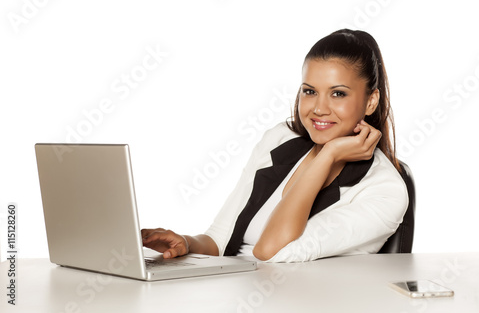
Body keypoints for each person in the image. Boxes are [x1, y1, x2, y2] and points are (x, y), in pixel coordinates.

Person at [142, 29, 409, 263]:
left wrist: (328, 156)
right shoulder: (280, 139)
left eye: (338, 93)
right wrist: (187, 243)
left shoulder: (385, 190)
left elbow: (271, 252)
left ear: (371, 101)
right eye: (309, 91)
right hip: (227, 290)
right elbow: (221, 238)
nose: (318, 108)